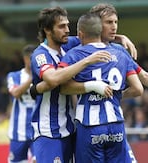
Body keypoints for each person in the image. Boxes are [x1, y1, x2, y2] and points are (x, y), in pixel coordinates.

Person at [30, 6, 112, 163]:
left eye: (67, 25)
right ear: (47, 30)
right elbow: (52, 79)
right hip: (48, 131)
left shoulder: (67, 45)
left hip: (71, 128)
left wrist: (121, 38)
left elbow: (94, 35)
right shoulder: (40, 55)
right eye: (61, 26)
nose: (67, 30)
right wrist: (87, 60)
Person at [58, 13, 143, 162]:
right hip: (116, 124)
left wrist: (91, 86)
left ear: (80, 34)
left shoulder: (75, 54)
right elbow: (138, 88)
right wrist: (115, 95)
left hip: (90, 126)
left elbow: (62, 86)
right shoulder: (121, 54)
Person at [6, 44, 37, 162]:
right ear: (25, 59)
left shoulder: (44, 77)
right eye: (32, 58)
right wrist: (32, 78)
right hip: (18, 132)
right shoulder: (14, 76)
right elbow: (15, 93)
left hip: (37, 131)